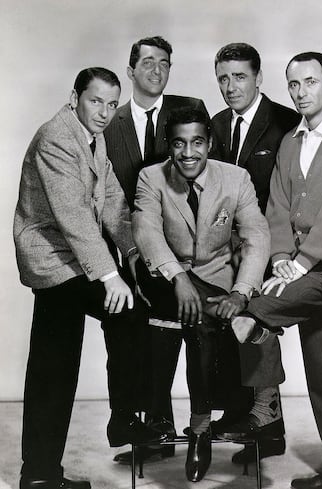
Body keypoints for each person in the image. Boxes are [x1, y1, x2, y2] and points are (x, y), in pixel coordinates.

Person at [227, 52, 322, 489]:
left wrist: (301, 264)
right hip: (298, 264)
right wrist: (279, 257)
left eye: (310, 82)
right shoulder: (293, 140)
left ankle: (255, 329)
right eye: (293, 85)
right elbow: (276, 204)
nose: (301, 93)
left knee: (255, 307)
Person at [13, 67, 166, 489]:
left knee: (122, 320)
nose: (103, 111)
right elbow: (75, 219)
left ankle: (117, 422)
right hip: (53, 260)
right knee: (56, 366)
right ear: (75, 97)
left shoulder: (91, 138)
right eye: (95, 100)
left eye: (111, 103)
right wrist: (109, 275)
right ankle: (42, 474)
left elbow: (113, 199)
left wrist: (133, 250)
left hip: (75, 259)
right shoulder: (57, 138)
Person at [131, 107, 277, 482]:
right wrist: (178, 276)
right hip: (162, 277)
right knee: (207, 316)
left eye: (197, 142)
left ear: (210, 142)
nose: (188, 153)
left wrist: (242, 292)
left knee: (202, 319)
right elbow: (146, 232)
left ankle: (200, 428)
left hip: (216, 283)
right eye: (179, 143)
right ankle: (205, 426)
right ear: (169, 146)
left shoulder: (236, 179)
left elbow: (256, 236)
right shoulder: (151, 177)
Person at [104, 36, 208, 465]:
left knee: (182, 333)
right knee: (129, 337)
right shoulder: (110, 121)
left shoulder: (190, 108)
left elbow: (207, 168)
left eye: (164, 62)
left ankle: (198, 430)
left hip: (184, 249)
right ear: (130, 71)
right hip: (126, 248)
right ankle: (148, 430)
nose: (156, 69)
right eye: (147, 62)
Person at [210, 42, 300, 464]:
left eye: (239, 76)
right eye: (223, 78)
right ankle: (253, 422)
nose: (230, 86)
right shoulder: (215, 124)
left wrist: (288, 251)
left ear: (258, 77)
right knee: (230, 330)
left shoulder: (286, 122)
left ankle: (267, 422)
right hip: (226, 251)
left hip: (273, 249)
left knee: (257, 327)